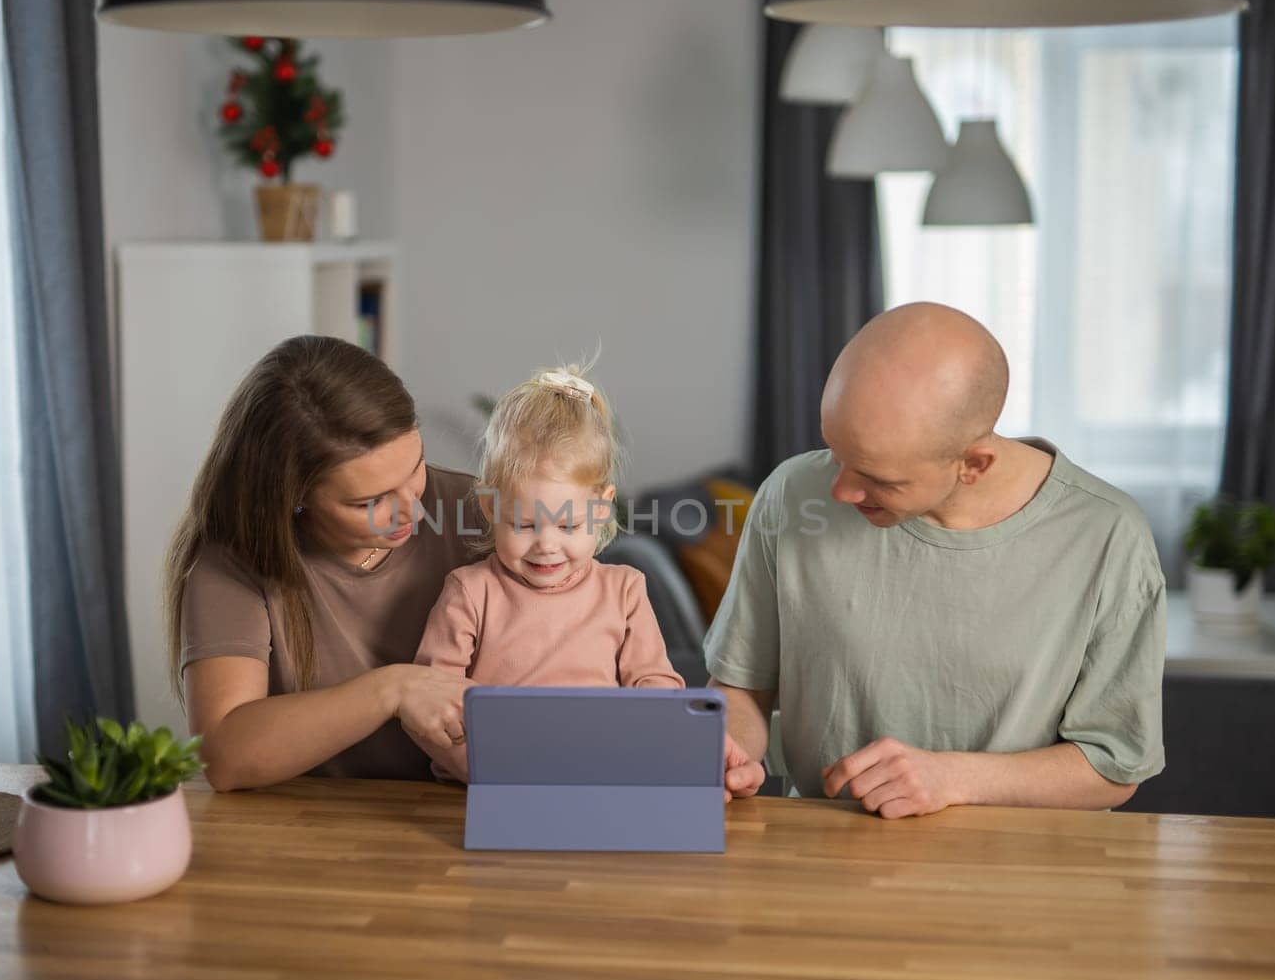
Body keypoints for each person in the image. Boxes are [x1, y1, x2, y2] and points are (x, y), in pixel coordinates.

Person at [709, 302, 1166, 816]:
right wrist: (729, 753)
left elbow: (1112, 766)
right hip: (821, 859)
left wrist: (953, 778)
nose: (839, 491)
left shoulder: (1106, 533)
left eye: (880, 479)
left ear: (974, 464)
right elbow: (742, 685)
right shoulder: (791, 494)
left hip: (1026, 872)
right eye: (836, 453)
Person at [166, 335, 482, 791]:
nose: (412, 510)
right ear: (293, 498)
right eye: (369, 501)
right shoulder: (234, 563)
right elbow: (224, 754)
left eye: (416, 469)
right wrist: (391, 690)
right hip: (316, 828)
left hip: (462, 814)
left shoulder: (482, 514)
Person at [415, 365, 683, 780]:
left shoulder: (625, 591)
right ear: (490, 508)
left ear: (601, 507)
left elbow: (656, 683)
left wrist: (643, 730)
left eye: (568, 526)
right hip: (488, 782)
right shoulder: (470, 592)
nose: (546, 545)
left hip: (600, 776)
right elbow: (430, 702)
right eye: (524, 525)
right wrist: (483, 765)